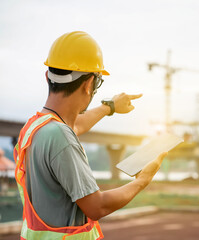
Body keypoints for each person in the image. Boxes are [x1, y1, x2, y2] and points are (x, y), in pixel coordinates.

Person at [14, 31, 167, 240]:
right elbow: (97, 206)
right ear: (88, 85)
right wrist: (143, 180)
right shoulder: (61, 138)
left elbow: (73, 125)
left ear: (48, 76)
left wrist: (110, 107)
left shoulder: (35, 127)